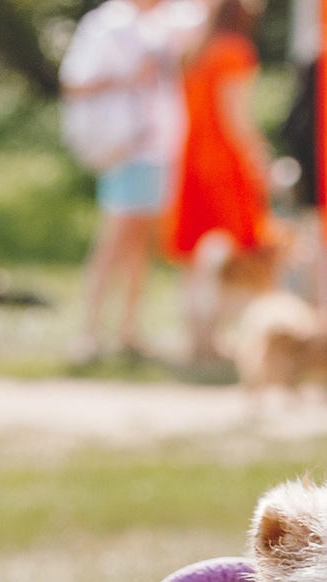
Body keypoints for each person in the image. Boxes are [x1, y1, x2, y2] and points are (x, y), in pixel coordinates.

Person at [62, 0, 197, 361]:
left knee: (140, 241)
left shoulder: (161, 24)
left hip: (156, 147)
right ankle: (89, 331)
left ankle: (128, 329)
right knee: (115, 236)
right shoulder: (106, 25)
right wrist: (128, 78)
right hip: (126, 147)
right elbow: (73, 85)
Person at [167, 0, 271, 366]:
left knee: (197, 260)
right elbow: (236, 118)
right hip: (224, 168)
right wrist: (260, 157)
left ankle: (197, 340)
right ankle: (212, 339)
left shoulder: (195, 51)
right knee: (227, 260)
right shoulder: (234, 52)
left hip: (191, 160)